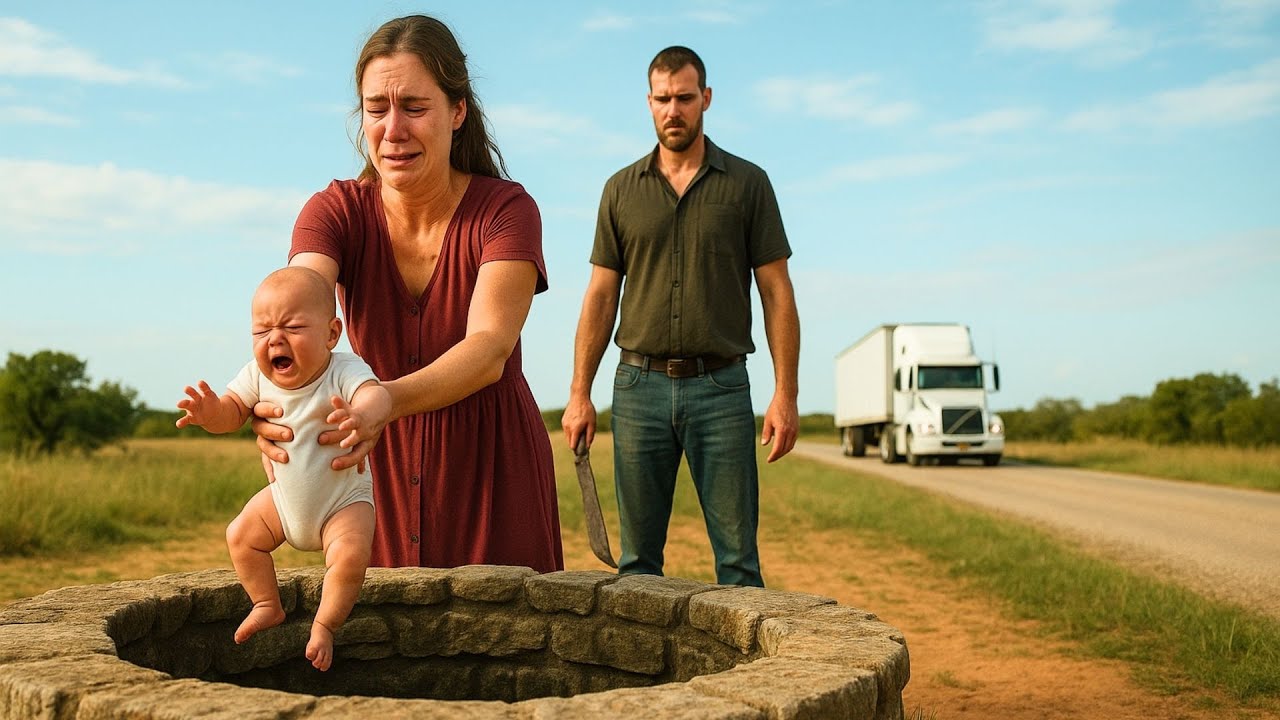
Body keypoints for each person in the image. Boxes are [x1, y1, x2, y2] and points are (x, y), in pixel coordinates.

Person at [249, 14, 563, 574]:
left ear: (458, 111)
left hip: (492, 473)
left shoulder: (507, 210)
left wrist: (386, 401)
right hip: (371, 476)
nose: (392, 130)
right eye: (376, 108)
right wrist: (273, 400)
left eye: (414, 107)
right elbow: (300, 303)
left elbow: (489, 347)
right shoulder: (335, 212)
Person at [562, 46, 800, 588]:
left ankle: (749, 678)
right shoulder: (620, 190)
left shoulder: (748, 184)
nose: (674, 110)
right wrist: (580, 393)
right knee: (638, 565)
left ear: (706, 100)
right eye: (663, 99)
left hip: (721, 388)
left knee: (739, 563)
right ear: (649, 102)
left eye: (685, 98)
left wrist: (785, 394)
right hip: (638, 387)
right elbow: (600, 296)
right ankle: (648, 674)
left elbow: (777, 294)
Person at [177, 266, 392, 671]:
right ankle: (266, 603)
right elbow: (232, 412)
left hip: (342, 500)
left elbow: (375, 395)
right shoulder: (257, 375)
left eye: (292, 326)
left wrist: (363, 416)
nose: (275, 338)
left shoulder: (342, 369)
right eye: (261, 332)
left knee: (349, 556)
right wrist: (210, 413)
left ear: (331, 334)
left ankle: (326, 625)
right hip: (283, 499)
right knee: (240, 536)